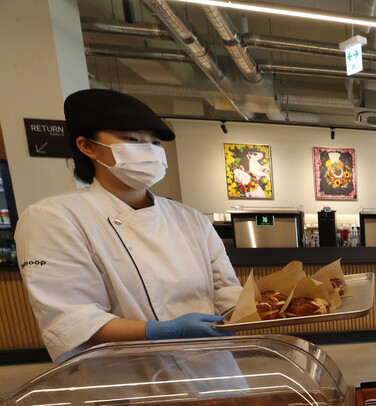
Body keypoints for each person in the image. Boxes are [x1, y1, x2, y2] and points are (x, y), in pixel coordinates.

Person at [16, 89, 242, 363]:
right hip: (129, 379)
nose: (148, 151)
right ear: (87, 146)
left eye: (155, 143)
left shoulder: (191, 218)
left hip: (213, 369)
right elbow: (73, 320)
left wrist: (273, 308)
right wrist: (161, 331)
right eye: (132, 140)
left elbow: (227, 294)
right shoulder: (55, 217)